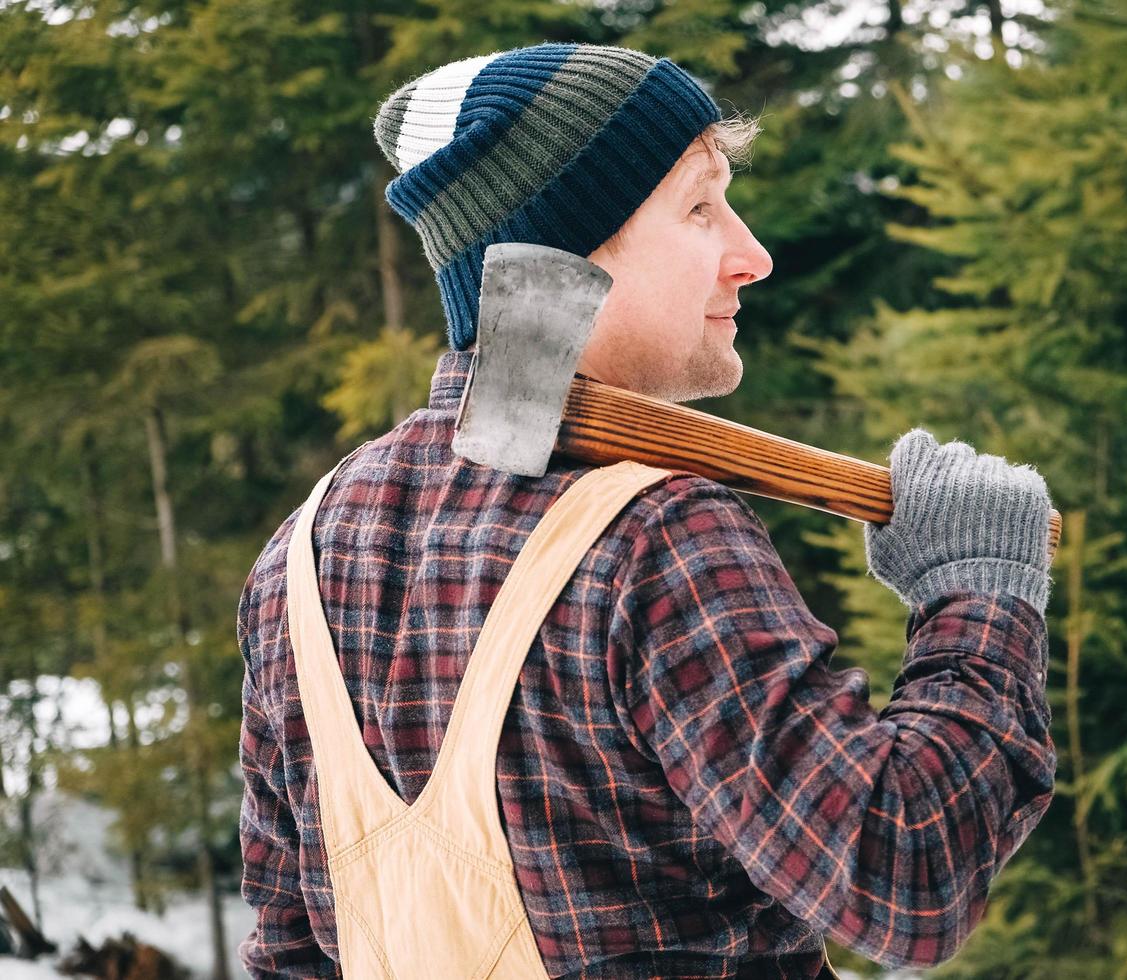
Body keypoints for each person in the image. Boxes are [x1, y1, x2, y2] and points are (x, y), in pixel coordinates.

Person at [236, 41, 1057, 978]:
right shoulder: (655, 538)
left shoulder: (301, 552)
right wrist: (979, 596)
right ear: (561, 264)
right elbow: (906, 872)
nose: (751, 256)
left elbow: (290, 952)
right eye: (699, 207)